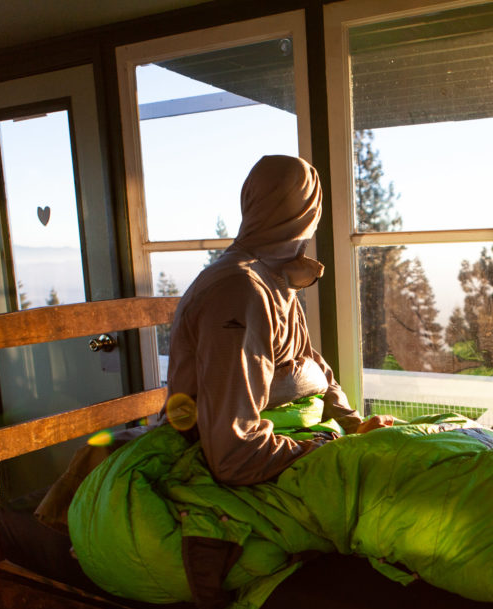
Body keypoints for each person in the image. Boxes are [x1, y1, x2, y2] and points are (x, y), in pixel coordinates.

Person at [165, 155, 391, 486]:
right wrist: (336, 447)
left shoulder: (272, 279)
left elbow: (313, 365)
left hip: (296, 437)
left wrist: (356, 426)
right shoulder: (239, 291)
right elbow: (233, 452)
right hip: (245, 461)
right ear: (309, 215)